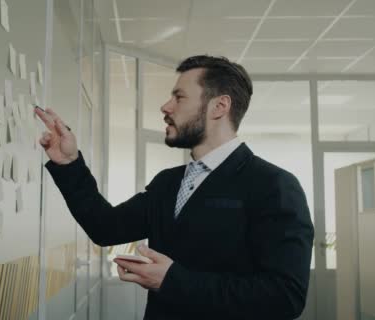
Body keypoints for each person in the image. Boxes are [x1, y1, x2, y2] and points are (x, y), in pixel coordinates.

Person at [35, 55, 314, 320]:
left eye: (179, 97)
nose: (166, 107)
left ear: (219, 106)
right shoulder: (168, 183)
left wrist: (171, 280)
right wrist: (69, 164)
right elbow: (105, 227)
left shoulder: (274, 185)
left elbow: (284, 297)